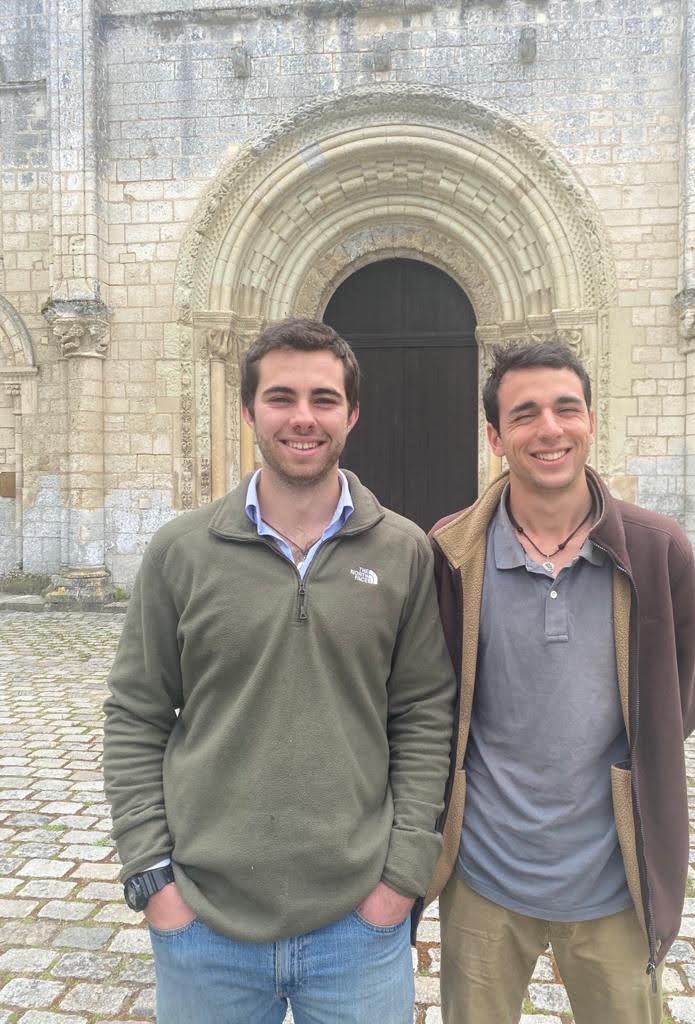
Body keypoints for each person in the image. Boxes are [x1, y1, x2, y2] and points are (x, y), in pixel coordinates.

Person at [103, 318, 455, 1024]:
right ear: (248, 411)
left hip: (358, 927)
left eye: (324, 399)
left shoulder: (403, 551)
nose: (303, 418)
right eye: (281, 397)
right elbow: (137, 714)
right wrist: (153, 881)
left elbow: (424, 714)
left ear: (352, 414)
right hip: (204, 926)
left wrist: (402, 880)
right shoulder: (181, 551)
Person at [423, 339, 695, 1024]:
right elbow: (432, 706)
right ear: (495, 435)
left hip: (614, 883)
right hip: (484, 877)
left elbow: (681, 701)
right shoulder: (451, 553)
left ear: (590, 421)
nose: (549, 429)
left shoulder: (656, 548)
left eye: (565, 408)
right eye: (524, 414)